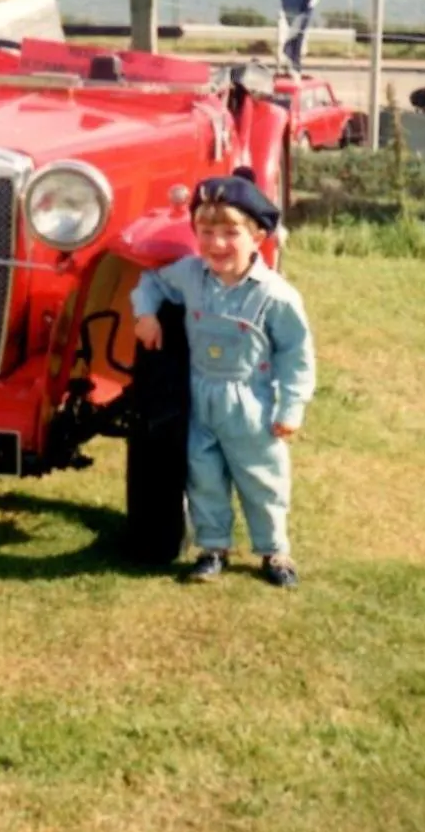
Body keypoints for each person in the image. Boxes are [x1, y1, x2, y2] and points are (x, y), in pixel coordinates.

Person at [131, 171, 315, 587]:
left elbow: (296, 354)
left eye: (230, 232)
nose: (216, 243)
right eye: (206, 231)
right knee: (204, 474)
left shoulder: (275, 295)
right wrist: (145, 314)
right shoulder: (193, 275)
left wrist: (291, 407)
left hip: (252, 401)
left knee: (261, 475)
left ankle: (274, 551)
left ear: (258, 236)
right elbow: (152, 281)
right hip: (202, 396)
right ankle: (213, 548)